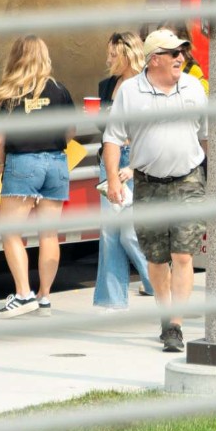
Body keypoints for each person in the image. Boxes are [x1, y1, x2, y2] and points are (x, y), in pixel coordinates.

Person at [103, 27, 207, 354]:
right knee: (157, 258)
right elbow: (112, 138)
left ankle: (175, 324)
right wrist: (115, 180)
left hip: (188, 180)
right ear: (154, 59)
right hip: (148, 183)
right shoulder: (131, 92)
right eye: (173, 53)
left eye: (182, 52)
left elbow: (205, 136)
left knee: (183, 254)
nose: (181, 58)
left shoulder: (193, 88)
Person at [0, 35, 75, 317]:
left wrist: (4, 164)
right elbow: (71, 130)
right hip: (57, 162)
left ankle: (23, 294)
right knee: (49, 233)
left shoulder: (8, 94)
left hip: (23, 163)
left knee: (11, 232)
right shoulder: (60, 90)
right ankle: (44, 297)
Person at [92, 31, 153, 309]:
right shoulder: (107, 86)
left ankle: (158, 283)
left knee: (130, 231)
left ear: (128, 54)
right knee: (110, 232)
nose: (108, 59)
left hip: (137, 159)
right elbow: (106, 132)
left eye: (113, 54)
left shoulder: (146, 86)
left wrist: (133, 165)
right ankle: (111, 300)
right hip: (110, 159)